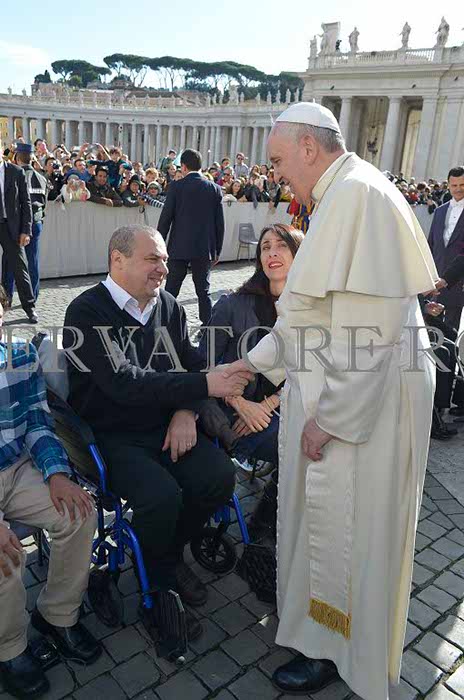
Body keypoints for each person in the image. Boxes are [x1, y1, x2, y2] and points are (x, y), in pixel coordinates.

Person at [223, 102, 437, 700]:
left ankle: (339, 653)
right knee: (334, 523)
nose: (274, 174)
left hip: (363, 405)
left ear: (309, 148)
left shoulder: (356, 196)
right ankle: (324, 637)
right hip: (352, 390)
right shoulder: (343, 194)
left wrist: (329, 421)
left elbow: (371, 333)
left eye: (278, 160)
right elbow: (307, 314)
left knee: (348, 528)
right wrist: (249, 364)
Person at [63, 224, 252, 640]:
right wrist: (202, 387)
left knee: (220, 477)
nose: (164, 269)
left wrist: (186, 410)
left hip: (165, 424)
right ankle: (159, 584)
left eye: (165, 260)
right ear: (117, 260)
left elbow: (190, 363)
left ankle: (164, 555)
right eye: (153, 259)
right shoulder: (85, 312)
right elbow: (123, 383)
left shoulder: (167, 305)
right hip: (113, 435)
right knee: (161, 496)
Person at [0, 285, 101, 699]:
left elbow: (39, 421)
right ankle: (10, 648)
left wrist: (57, 473)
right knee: (4, 556)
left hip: (16, 468)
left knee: (79, 513)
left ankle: (58, 615)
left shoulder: (21, 354)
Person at [199, 224, 303, 537]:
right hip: (228, 410)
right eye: (265, 247)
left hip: (280, 406)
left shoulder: (309, 309)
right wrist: (240, 404)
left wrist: (267, 406)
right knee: (296, 452)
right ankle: (262, 534)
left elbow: (307, 371)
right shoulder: (232, 305)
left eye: (282, 246)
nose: (272, 252)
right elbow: (202, 366)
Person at [158, 149, 224, 324]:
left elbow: (165, 219)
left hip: (178, 247)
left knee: (171, 290)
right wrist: (217, 251)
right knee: (203, 291)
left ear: (184, 167)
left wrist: (158, 246)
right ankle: (207, 327)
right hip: (204, 248)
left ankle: (164, 322)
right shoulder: (215, 189)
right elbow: (219, 224)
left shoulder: (176, 187)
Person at [2, 143, 47, 302]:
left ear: (17, 157)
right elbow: (43, 203)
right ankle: (33, 296)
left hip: (18, 224)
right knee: (32, 261)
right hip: (36, 221)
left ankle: (7, 296)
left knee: (11, 260)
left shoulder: (15, 175)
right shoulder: (42, 178)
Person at [0, 141, 37, 323]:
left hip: (11, 227)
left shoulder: (16, 172)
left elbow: (26, 203)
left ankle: (29, 307)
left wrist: (26, 230)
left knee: (20, 268)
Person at [428, 166, 464, 333]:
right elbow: (431, 244)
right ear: (448, 185)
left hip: (458, 282)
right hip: (436, 281)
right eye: (454, 185)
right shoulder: (439, 211)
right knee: (432, 331)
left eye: (462, 185)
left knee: (451, 332)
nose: (458, 189)